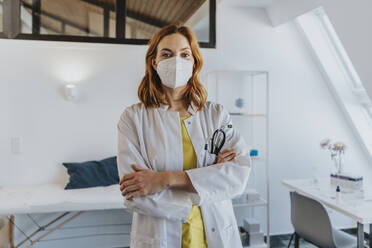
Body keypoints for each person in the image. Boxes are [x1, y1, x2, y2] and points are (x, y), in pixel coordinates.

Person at [117, 24, 252, 248]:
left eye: (184, 54)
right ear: (154, 62)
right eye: (167, 54)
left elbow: (237, 176)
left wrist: (164, 179)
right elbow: (135, 193)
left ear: (194, 62)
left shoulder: (215, 115)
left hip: (214, 235)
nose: (176, 61)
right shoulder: (133, 118)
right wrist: (209, 178)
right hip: (160, 238)